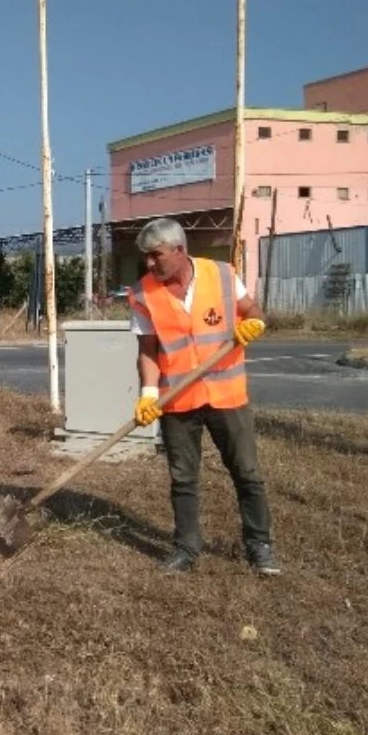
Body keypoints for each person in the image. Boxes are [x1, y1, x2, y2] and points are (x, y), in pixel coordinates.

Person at [126, 218, 280, 575]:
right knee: (183, 478)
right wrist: (149, 394)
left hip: (227, 395)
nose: (150, 263)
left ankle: (260, 545)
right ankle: (186, 548)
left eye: (156, 256)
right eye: (146, 257)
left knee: (247, 472)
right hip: (176, 401)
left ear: (179, 251)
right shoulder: (143, 293)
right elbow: (148, 350)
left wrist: (254, 323)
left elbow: (253, 311)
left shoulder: (223, 275)